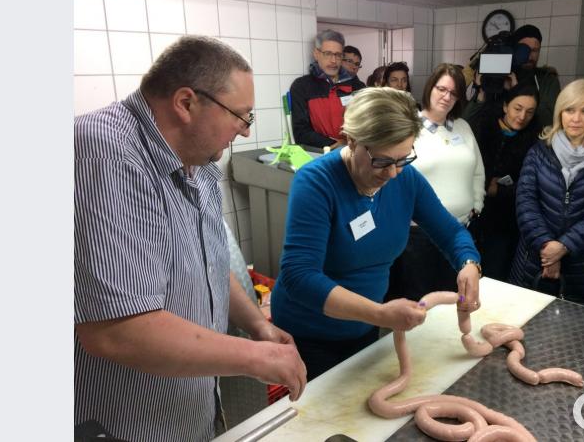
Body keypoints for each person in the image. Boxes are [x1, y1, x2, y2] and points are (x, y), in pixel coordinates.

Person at [74, 36, 307, 442]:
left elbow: (209, 262)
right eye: (240, 116)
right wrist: (256, 358)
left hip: (187, 410)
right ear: (186, 103)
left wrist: (257, 326)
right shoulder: (105, 154)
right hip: (125, 425)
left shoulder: (197, 160)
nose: (243, 130)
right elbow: (115, 330)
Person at [271, 87, 482, 380]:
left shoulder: (406, 179)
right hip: (308, 336)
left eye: (403, 158)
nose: (393, 173)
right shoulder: (316, 182)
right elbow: (300, 276)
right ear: (352, 140)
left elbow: (451, 232)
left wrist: (469, 264)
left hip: (363, 327)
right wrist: (379, 314)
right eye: (382, 161)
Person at [509, 79, 584, 310]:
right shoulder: (539, 152)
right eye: (569, 110)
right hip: (534, 262)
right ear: (560, 112)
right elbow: (525, 203)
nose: (576, 118)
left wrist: (563, 246)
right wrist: (547, 248)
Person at [385, 63, 485, 302]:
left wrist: (477, 204)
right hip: (419, 234)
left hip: (460, 229)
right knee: (419, 301)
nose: (446, 97)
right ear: (430, 88)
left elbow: (478, 171)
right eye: (441, 89)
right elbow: (394, 176)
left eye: (453, 93)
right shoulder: (410, 127)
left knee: (453, 298)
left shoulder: (463, 127)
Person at [474, 85, 540, 281]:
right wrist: (485, 184)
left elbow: (533, 185)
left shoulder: (535, 140)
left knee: (495, 273)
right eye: (517, 108)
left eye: (529, 112)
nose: (522, 116)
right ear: (505, 106)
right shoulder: (482, 127)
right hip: (474, 213)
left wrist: (501, 191)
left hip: (506, 220)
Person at [290, 29, 365, 149]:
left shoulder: (358, 87)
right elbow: (301, 132)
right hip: (320, 154)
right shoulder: (302, 86)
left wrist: (350, 144)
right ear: (316, 54)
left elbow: (368, 124)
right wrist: (333, 144)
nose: (333, 60)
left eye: (338, 55)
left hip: (354, 153)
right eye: (328, 54)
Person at [509, 24, 561, 126]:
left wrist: (516, 91)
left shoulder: (548, 80)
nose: (530, 55)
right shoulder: (500, 78)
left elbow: (550, 120)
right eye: (524, 49)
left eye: (535, 50)